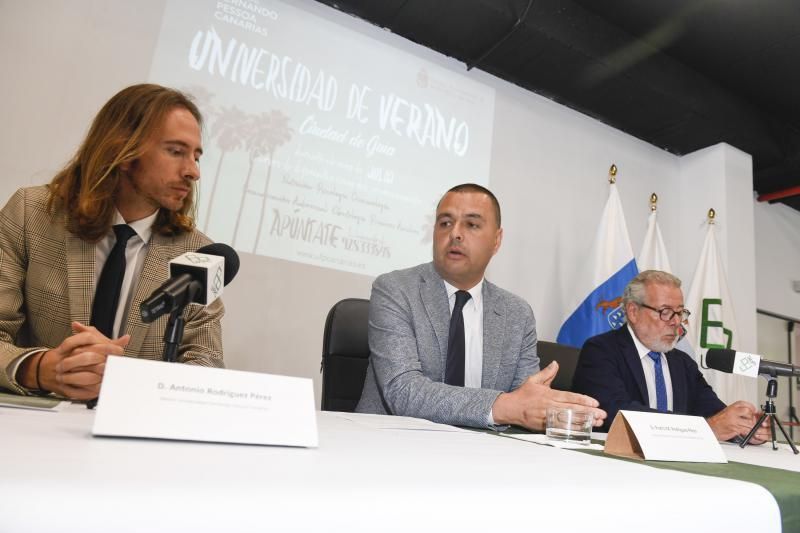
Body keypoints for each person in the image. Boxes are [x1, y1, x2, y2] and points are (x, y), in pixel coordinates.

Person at [0, 83, 224, 401]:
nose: (192, 171)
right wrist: (39, 368)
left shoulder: (198, 255)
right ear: (123, 152)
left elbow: (206, 364)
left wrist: (128, 377)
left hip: (133, 437)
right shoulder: (30, 215)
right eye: (176, 151)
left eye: (196, 156)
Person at [356, 183, 606, 429]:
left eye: (472, 224)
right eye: (445, 223)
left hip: (481, 455)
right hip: (394, 447)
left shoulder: (517, 314)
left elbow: (525, 402)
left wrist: (547, 409)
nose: (455, 233)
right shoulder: (395, 289)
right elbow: (403, 391)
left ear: (496, 240)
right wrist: (502, 407)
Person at [572, 270, 769, 443]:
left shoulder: (682, 363)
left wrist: (744, 428)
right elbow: (618, 414)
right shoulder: (600, 350)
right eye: (666, 312)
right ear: (633, 311)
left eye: (680, 312)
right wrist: (705, 429)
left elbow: (713, 411)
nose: (676, 322)